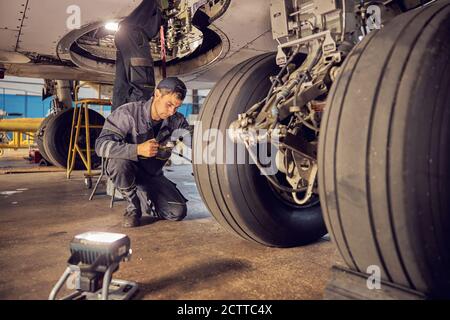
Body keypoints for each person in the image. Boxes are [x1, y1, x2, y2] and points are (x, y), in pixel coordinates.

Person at [95, 77, 192, 228]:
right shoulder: (128, 113)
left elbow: (193, 139)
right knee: (119, 162)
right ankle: (133, 205)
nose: (172, 111)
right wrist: (137, 149)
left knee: (177, 212)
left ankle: (143, 193)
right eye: (169, 104)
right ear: (157, 94)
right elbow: (101, 146)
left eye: (177, 107)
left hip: (152, 175)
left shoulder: (176, 120)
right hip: (127, 169)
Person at [112, 0, 162, 111]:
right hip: (134, 34)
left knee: (130, 87)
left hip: (130, 34)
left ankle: (121, 124)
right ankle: (125, 124)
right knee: (139, 86)